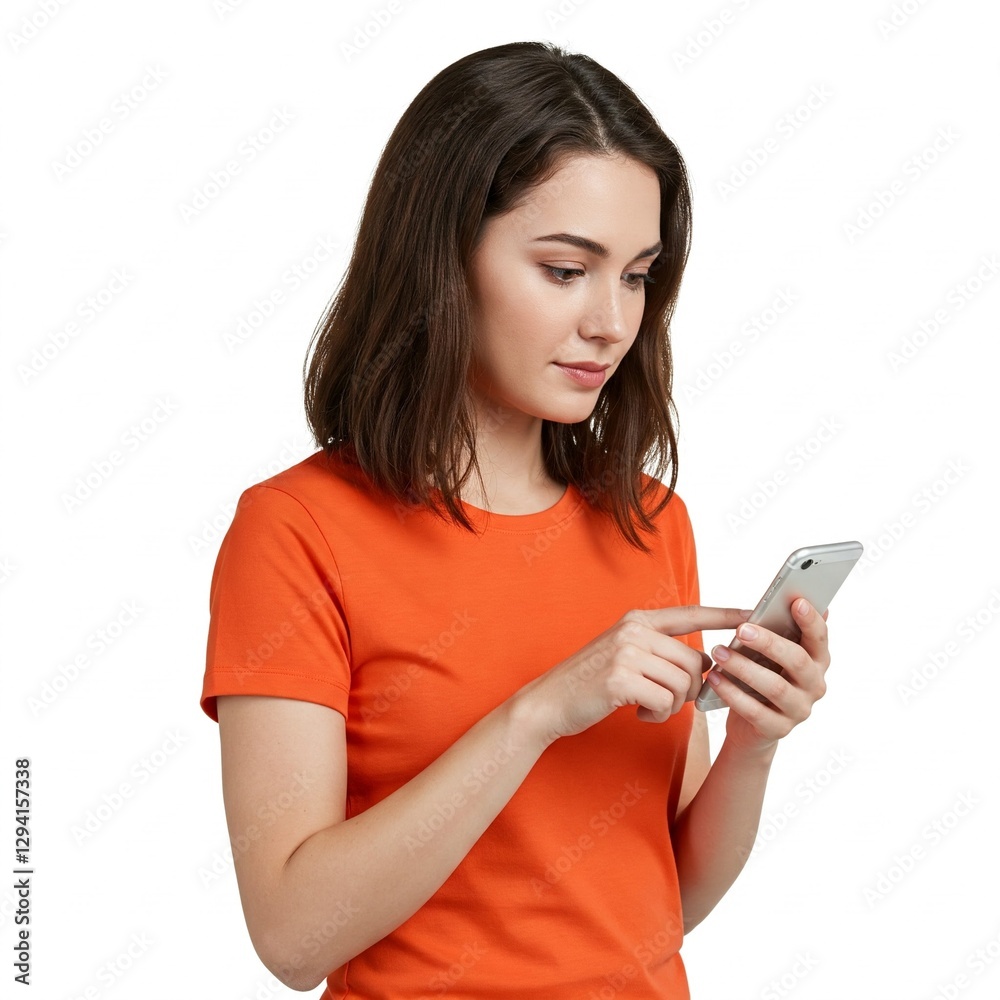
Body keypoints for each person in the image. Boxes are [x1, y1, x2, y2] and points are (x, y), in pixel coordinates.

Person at [199, 40, 832, 998]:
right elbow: (293, 937)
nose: (612, 324)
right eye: (567, 269)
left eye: (635, 276)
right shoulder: (295, 531)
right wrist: (539, 712)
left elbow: (660, 902)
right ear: (439, 258)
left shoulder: (650, 522)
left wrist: (754, 740)